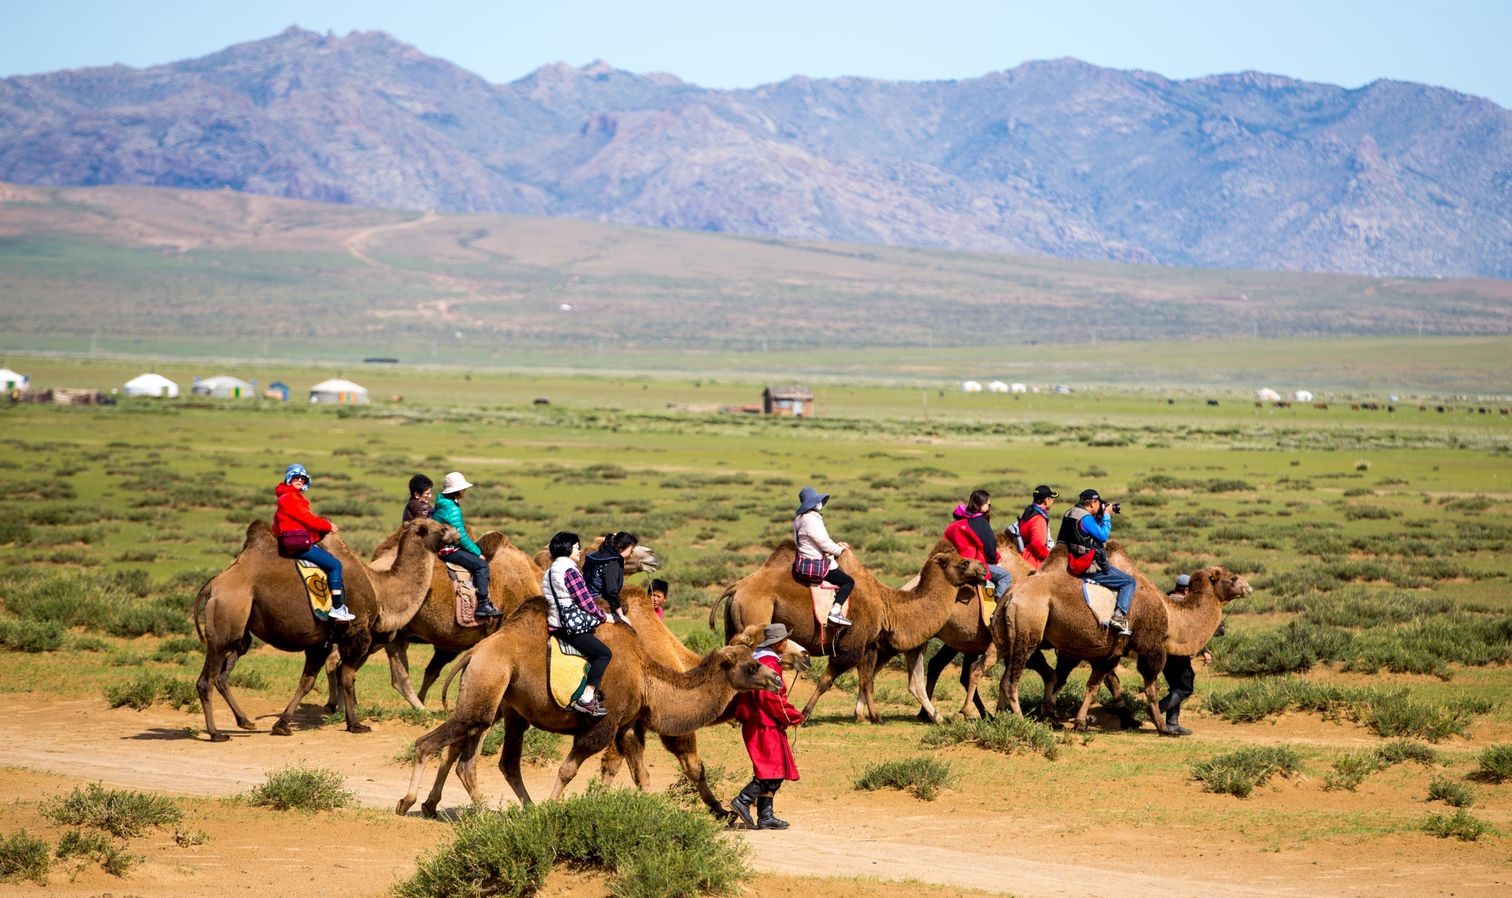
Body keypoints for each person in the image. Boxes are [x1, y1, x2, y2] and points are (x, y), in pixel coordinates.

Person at [729, 623, 805, 830]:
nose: (787, 643)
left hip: (761, 722)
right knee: (771, 771)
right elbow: (771, 699)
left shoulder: (759, 659)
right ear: (779, 642)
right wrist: (792, 716)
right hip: (763, 723)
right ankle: (743, 800)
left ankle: (765, 816)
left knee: (773, 770)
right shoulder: (769, 663)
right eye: (786, 640)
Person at [272, 463, 354, 622]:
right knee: (335, 565)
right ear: (289, 479)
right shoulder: (291, 497)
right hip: (298, 544)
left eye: (302, 479)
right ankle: (337, 608)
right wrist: (328, 525)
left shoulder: (284, 497)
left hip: (292, 542)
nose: (299, 481)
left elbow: (276, 526)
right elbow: (308, 519)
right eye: (296, 477)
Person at [542, 531, 612, 716]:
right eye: (576, 547)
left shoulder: (549, 572)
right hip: (570, 627)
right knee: (604, 653)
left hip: (555, 623)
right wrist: (604, 617)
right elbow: (586, 603)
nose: (579, 551)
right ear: (567, 548)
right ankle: (587, 698)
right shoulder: (569, 571)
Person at [1058, 488, 1136, 635]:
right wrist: (1106, 515)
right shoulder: (1085, 518)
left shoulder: (1069, 513)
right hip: (1088, 566)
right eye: (1098, 503)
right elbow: (1103, 536)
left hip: (1070, 561)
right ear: (1093, 502)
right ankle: (1118, 617)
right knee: (1129, 582)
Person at [430, 471, 501, 618]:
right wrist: (477, 552)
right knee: (481, 565)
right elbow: (461, 536)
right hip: (447, 549)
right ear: (456, 490)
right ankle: (483, 604)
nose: (465, 490)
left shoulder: (443, 502)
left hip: (441, 544)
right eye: (463, 488)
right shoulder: (452, 509)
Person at [1159, 574, 1222, 736]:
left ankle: (1172, 723)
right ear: (1187, 590)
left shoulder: (1165, 601)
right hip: (1179, 655)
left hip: (1163, 655)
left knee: (1175, 688)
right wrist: (1205, 650)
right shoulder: (1183, 606)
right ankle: (1156, 709)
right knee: (1185, 688)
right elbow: (1189, 634)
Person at [792, 487, 854, 627]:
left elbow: (807, 542)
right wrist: (839, 551)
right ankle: (835, 612)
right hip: (815, 564)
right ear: (812, 503)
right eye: (817, 500)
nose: (820, 503)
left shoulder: (799, 520)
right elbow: (824, 542)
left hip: (803, 561)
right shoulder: (811, 520)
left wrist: (836, 546)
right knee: (848, 582)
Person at [581, 532, 637, 626]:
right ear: (620, 548)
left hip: (584, 598)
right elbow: (611, 591)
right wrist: (620, 615)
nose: (630, 555)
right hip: (597, 603)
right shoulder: (613, 563)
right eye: (630, 551)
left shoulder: (594, 556)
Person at [1017, 485, 1058, 569]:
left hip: (1024, 559)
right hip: (1033, 563)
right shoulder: (1038, 519)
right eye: (1051, 498)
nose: (1053, 501)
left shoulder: (1029, 512)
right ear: (1046, 501)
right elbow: (1037, 545)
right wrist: (1050, 559)